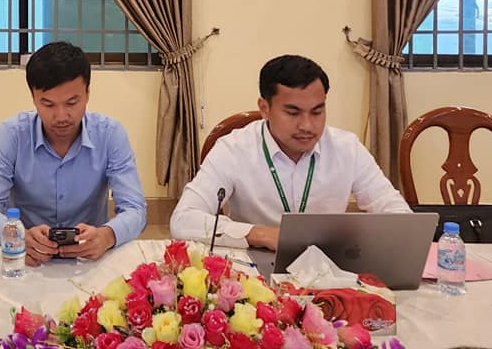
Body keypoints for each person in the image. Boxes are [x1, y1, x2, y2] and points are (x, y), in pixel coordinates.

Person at [170, 54, 410, 250]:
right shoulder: (233, 149)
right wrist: (262, 235)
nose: (307, 125)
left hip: (327, 268)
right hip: (254, 269)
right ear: (264, 108)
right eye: (293, 113)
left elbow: (398, 214)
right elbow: (183, 219)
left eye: (317, 112)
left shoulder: (347, 148)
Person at [0, 41, 146, 265]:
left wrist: (107, 235)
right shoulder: (11, 135)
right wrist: (16, 235)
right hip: (26, 258)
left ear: (87, 93)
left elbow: (135, 210)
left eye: (72, 102)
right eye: (48, 104)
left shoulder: (110, 135)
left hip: (90, 259)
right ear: (33, 97)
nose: (61, 116)